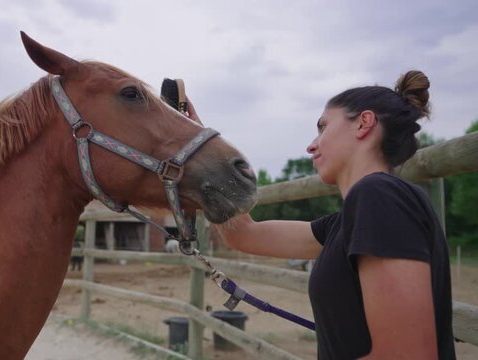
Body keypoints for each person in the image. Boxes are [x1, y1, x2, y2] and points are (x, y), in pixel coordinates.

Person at [189, 70, 455, 359]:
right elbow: (244, 234)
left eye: (323, 127)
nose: (311, 145)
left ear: (364, 123)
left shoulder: (379, 196)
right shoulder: (347, 221)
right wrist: (197, 152)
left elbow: (406, 355)